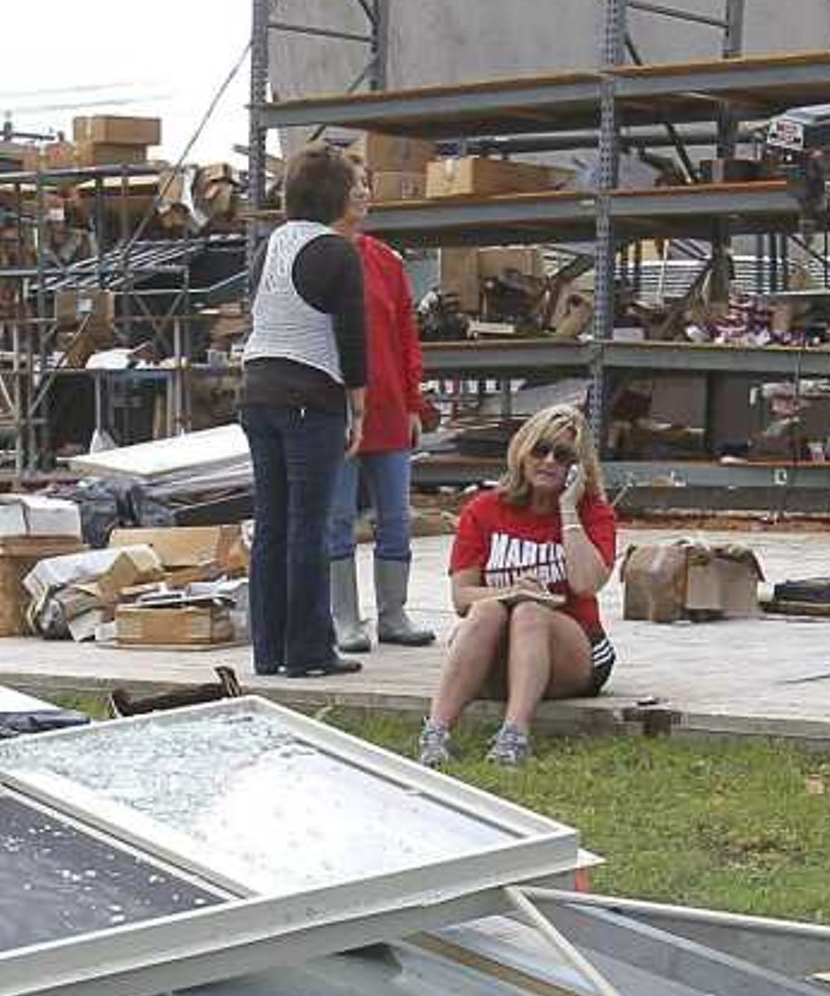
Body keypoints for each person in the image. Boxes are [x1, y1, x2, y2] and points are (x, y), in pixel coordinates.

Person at [421, 404, 619, 767]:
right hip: (499, 650)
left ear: (577, 467)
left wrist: (569, 511)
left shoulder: (594, 512)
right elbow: (461, 598)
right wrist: (513, 591)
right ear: (522, 451)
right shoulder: (484, 509)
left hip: (574, 649)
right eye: (540, 449)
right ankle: (435, 732)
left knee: (530, 612)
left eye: (562, 456)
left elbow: (586, 584)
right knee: (487, 609)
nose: (548, 461)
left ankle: (515, 735)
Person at [236, 145, 368, 677]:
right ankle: (309, 650)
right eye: (354, 185)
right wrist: (358, 406)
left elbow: (256, 306)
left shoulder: (271, 246)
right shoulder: (337, 252)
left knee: (271, 525)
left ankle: (268, 651)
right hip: (310, 398)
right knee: (307, 527)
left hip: (258, 392)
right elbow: (352, 338)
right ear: (335, 195)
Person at [329, 164, 434, 652]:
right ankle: (344, 618)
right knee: (337, 518)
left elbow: (406, 337)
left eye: (367, 185)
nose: (365, 194)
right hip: (335, 409)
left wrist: (413, 404)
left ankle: (393, 613)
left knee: (395, 514)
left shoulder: (385, 261)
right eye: (356, 187)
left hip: (389, 407)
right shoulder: (320, 257)